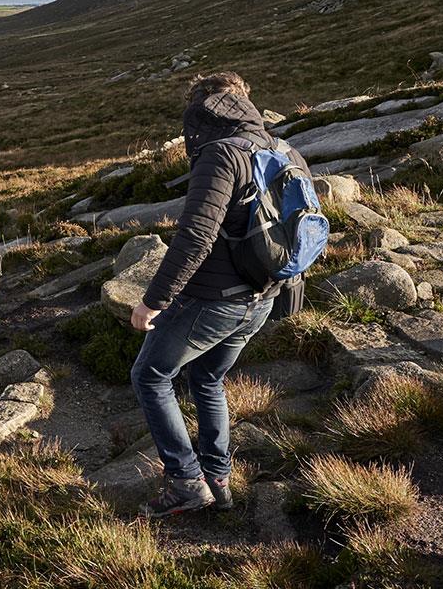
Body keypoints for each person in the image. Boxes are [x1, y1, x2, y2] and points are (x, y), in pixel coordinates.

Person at [128, 72, 310, 518]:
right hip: (262, 299)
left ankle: (187, 482)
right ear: (244, 102)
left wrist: (153, 300)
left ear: (202, 109)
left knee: (150, 376)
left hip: (215, 302)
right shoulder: (284, 150)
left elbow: (195, 238)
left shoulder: (220, 155)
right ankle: (219, 480)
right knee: (208, 378)